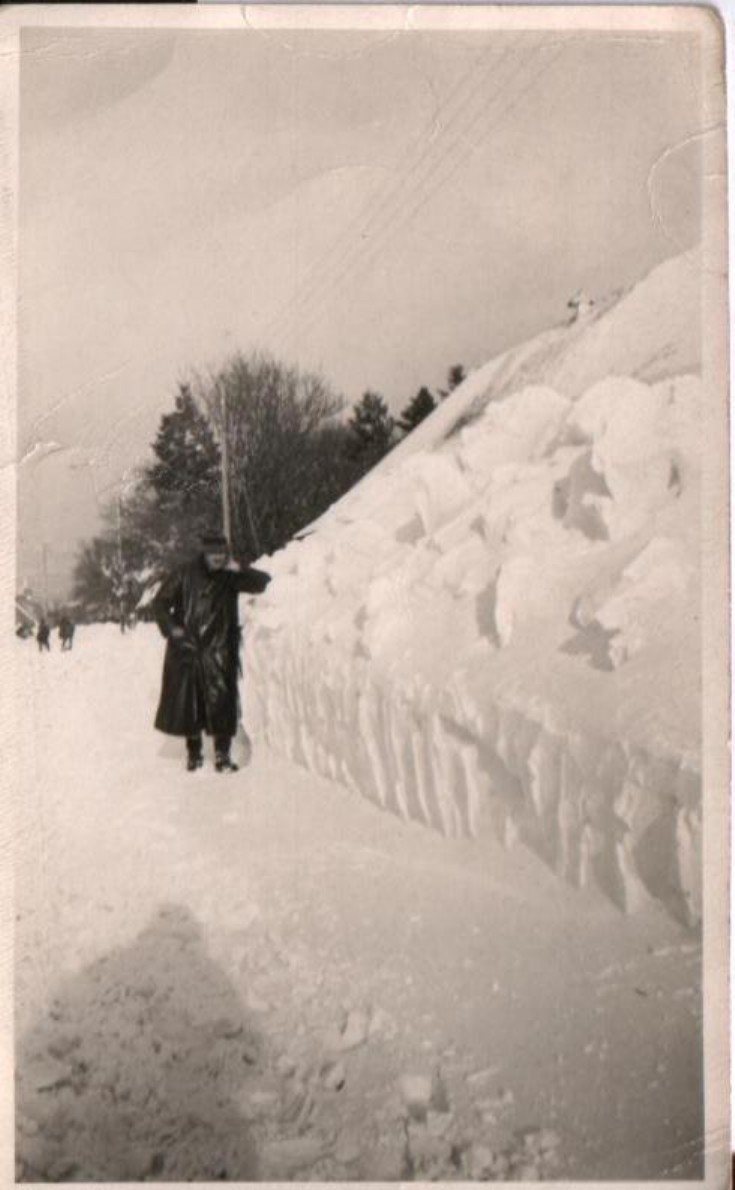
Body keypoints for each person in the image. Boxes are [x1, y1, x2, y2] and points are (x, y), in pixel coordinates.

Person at [152, 532, 271, 772]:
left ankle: (222, 756)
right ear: (204, 553)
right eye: (213, 554)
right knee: (190, 706)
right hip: (188, 649)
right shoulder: (184, 574)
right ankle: (193, 754)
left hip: (220, 649)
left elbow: (263, 583)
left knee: (222, 706)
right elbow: (160, 603)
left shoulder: (230, 576)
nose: (217, 559)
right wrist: (172, 629)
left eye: (221, 554)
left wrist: (239, 568)